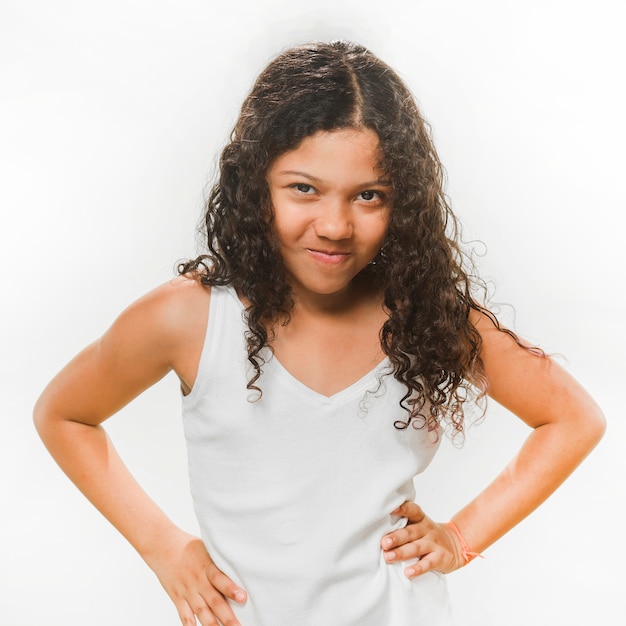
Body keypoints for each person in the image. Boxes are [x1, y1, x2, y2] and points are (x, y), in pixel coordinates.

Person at [34, 41, 605, 626]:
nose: (334, 226)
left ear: (402, 202)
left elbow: (572, 418)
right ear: (256, 185)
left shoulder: (427, 315)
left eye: (368, 196)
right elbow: (65, 414)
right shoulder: (190, 319)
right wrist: (163, 547)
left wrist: (460, 538)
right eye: (304, 188)